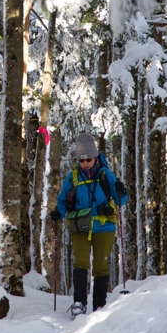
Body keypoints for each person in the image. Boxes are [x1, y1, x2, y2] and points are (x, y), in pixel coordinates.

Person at [51, 132, 127, 318]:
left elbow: (121, 200)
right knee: (81, 263)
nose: (85, 163)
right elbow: (62, 201)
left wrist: (120, 190)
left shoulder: (105, 174)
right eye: (82, 160)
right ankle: (79, 303)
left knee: (101, 265)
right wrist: (59, 213)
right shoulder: (73, 177)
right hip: (80, 227)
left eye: (89, 159)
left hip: (104, 226)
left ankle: (99, 305)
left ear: (95, 157)